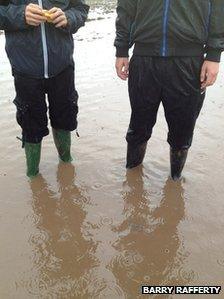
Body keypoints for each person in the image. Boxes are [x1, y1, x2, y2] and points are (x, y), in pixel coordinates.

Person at [115, 0, 224, 180]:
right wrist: (121, 49)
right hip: (144, 58)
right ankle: (132, 178)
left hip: (189, 62)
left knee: (182, 130)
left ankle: (175, 182)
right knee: (138, 126)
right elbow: (126, 7)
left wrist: (214, 54)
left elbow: (219, 7)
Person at [0, 0, 89, 178]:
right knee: (30, 123)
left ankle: (66, 165)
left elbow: (80, 9)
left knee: (65, 117)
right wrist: (20, 14)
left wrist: (68, 18)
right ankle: (32, 174)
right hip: (25, 69)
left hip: (62, 66)